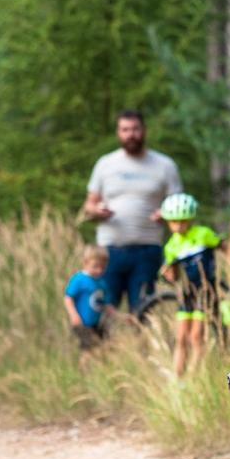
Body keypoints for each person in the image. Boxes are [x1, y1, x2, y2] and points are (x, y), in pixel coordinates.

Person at [82, 110, 183, 313]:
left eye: (135, 129)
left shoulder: (165, 165)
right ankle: (101, 335)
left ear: (144, 130)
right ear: (118, 133)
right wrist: (97, 211)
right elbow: (88, 206)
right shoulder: (105, 164)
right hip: (109, 250)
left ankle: (139, 334)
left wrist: (165, 214)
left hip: (147, 249)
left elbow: (179, 205)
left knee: (143, 310)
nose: (131, 134)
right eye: (125, 130)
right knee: (102, 309)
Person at [158, 193, 223, 376]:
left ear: (190, 219)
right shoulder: (171, 245)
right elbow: (174, 276)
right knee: (180, 337)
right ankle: (177, 377)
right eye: (174, 222)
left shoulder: (203, 234)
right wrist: (167, 274)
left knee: (196, 336)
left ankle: (194, 376)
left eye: (183, 221)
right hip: (185, 292)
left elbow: (223, 246)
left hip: (205, 291)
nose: (179, 226)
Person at [63, 245, 117, 351]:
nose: (99, 270)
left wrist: (121, 317)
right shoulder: (79, 279)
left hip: (96, 323)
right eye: (95, 266)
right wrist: (74, 315)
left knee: (104, 345)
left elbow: (106, 304)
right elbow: (68, 298)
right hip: (82, 323)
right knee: (90, 348)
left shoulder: (101, 283)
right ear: (85, 262)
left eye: (103, 267)